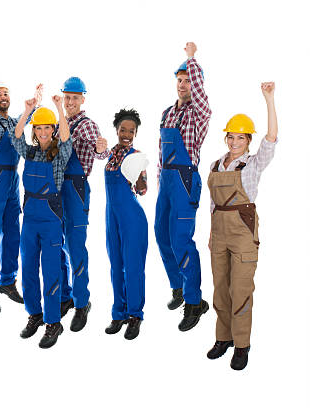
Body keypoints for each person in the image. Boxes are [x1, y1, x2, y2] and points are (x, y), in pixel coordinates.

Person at [206, 82, 277, 371]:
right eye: (231, 137)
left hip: (243, 233)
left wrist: (269, 99)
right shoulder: (214, 165)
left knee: (241, 289)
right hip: (219, 232)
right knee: (220, 290)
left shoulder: (253, 164)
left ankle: (242, 345)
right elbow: (213, 203)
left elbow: (272, 138)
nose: (235, 142)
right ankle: (223, 339)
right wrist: (211, 233)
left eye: (240, 138)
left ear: (248, 140)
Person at [154, 42, 212, 331]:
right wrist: (155, 180)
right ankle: (179, 287)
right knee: (161, 234)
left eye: (188, 80)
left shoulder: (198, 113)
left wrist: (192, 59)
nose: (183, 84)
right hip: (166, 181)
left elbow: (200, 94)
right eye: (179, 80)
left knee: (181, 240)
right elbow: (161, 153)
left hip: (186, 181)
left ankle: (194, 302)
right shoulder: (167, 113)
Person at [0, 81, 42, 314]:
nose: (3, 97)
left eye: (5, 94)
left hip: (13, 180)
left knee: (13, 233)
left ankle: (7, 281)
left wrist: (35, 99)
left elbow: (30, 118)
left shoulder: (14, 122)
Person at [12, 95, 72, 349]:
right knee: (27, 269)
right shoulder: (31, 153)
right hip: (30, 219)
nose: (43, 131)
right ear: (34, 131)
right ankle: (34, 314)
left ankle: (53, 322)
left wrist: (59, 108)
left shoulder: (59, 155)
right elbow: (16, 138)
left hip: (50, 218)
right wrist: (27, 112)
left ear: (53, 129)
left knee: (50, 270)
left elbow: (67, 138)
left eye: (48, 127)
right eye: (39, 127)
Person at [58, 76, 108, 332]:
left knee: (76, 247)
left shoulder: (87, 125)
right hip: (54, 189)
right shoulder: (59, 123)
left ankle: (81, 303)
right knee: (57, 246)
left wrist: (102, 148)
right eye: (67, 97)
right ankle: (65, 297)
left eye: (75, 98)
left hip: (76, 189)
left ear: (82, 99)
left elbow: (101, 153)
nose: (70, 102)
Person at [103, 109, 148, 340]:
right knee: (115, 265)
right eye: (123, 129)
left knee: (133, 266)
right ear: (117, 130)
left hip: (132, 218)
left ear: (136, 133)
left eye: (132, 131)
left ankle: (134, 316)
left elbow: (143, 190)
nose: (127, 134)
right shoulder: (110, 154)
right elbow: (97, 153)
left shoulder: (137, 156)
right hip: (111, 217)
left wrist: (138, 176)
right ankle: (118, 313)